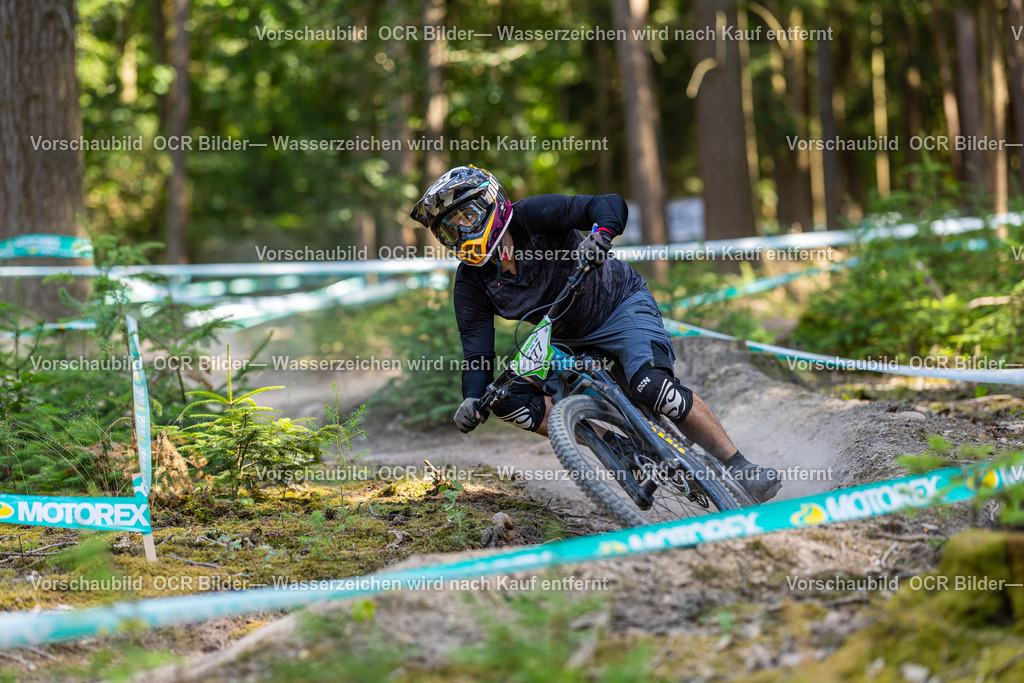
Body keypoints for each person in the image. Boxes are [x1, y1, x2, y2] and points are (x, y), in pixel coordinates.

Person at [410, 165, 781, 503]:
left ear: (492, 204)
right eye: (450, 227)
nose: (460, 231)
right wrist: (473, 398)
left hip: (618, 306)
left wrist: (600, 235)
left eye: (466, 217)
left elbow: (606, 204)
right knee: (506, 401)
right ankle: (616, 448)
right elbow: (477, 352)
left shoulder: (533, 216)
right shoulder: (471, 283)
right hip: (562, 339)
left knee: (652, 387)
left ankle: (739, 466)